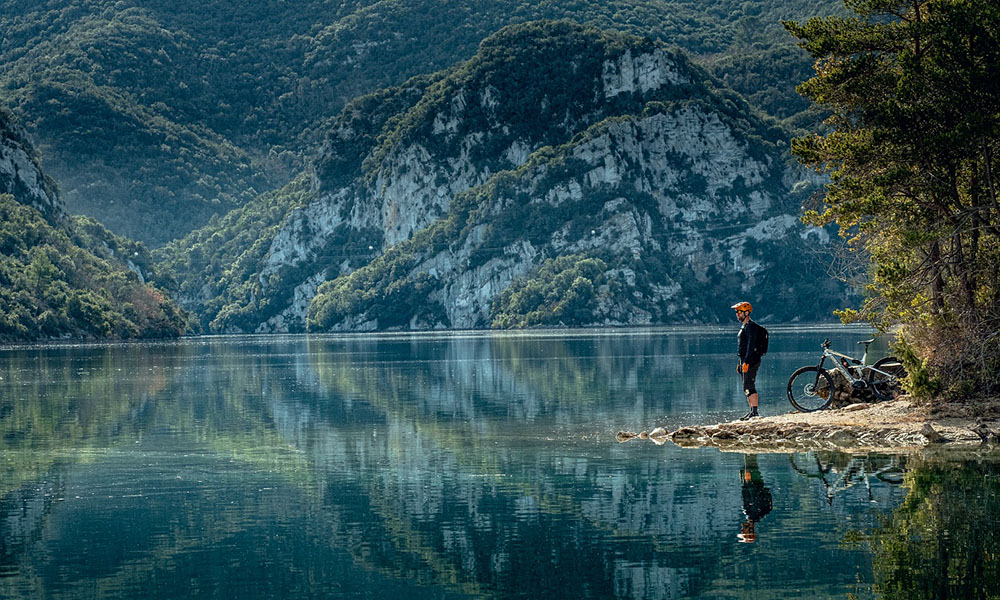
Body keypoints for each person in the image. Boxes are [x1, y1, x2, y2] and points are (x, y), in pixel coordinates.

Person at [731, 301, 766, 420]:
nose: (737, 314)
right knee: (746, 386)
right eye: (736, 312)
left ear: (746, 313)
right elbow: (743, 347)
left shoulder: (751, 327)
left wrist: (746, 362)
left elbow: (751, 345)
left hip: (751, 360)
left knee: (750, 385)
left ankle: (755, 412)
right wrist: (740, 363)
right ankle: (751, 411)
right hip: (744, 360)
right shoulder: (745, 326)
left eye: (739, 312)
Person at [737, 454, 772, 543]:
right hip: (752, 481)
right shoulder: (753, 513)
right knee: (750, 459)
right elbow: (754, 497)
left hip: (753, 482)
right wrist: (748, 481)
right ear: (750, 530)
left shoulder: (755, 514)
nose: (742, 529)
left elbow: (747, 495)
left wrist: (743, 480)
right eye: (743, 531)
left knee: (751, 461)